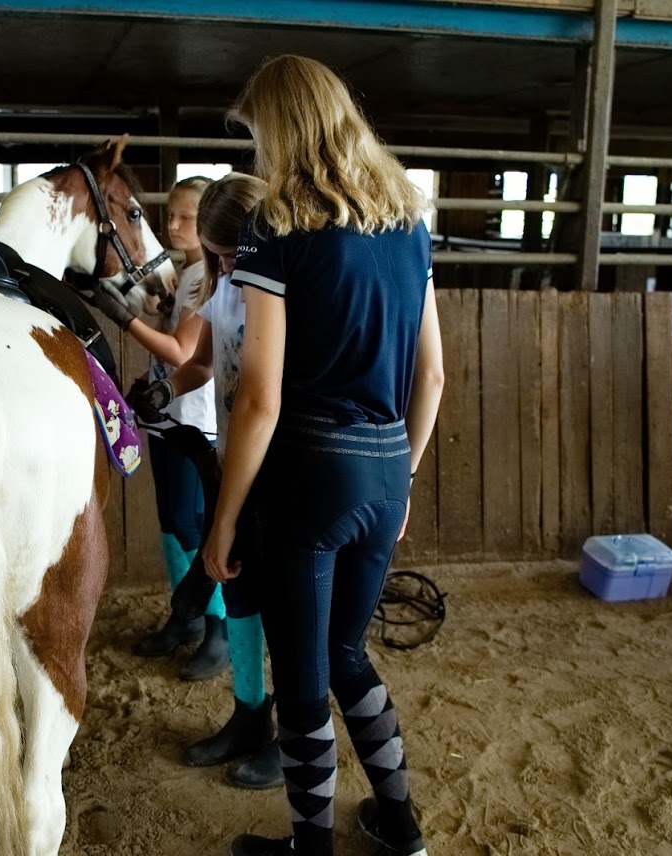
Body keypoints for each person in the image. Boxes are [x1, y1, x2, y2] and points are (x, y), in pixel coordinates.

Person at [202, 56, 445, 856]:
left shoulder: (274, 222)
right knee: (348, 653)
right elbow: (432, 371)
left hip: (307, 473)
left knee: (303, 676)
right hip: (383, 466)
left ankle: (311, 849)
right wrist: (401, 474)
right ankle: (398, 821)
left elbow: (259, 396)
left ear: (281, 128)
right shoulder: (408, 218)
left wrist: (224, 519)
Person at [134, 172, 282, 790]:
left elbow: (262, 398)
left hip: (273, 464)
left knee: (284, 607)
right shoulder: (225, 288)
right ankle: (250, 716)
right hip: (232, 458)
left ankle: (292, 736)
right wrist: (166, 388)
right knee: (241, 594)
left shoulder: (274, 293)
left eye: (227, 250)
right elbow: (198, 363)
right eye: (218, 254)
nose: (220, 263)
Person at [89, 176, 229, 681]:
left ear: (208, 221)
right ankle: (185, 616)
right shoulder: (186, 272)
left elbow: (183, 354)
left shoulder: (207, 278)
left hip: (195, 417)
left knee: (189, 521)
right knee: (171, 519)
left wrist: (121, 317)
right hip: (168, 411)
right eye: (168, 214)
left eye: (185, 217)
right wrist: (157, 312)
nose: (172, 225)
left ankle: (218, 627)